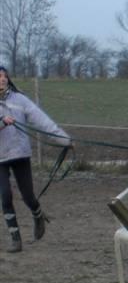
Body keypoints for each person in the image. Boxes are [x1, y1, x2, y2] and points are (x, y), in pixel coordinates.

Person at [0, 66, 73, 253]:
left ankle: (38, 215)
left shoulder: (20, 100)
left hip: (20, 154)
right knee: (5, 196)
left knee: (29, 197)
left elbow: (42, 121)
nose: (2, 80)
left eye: (4, 76)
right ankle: (15, 239)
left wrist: (64, 140)